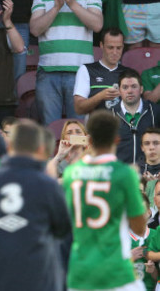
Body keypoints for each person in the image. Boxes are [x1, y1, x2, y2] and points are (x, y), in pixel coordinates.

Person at [0, 119, 72, 291]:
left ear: (10, 147)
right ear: (41, 150)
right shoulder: (48, 185)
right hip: (37, 276)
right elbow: (63, 230)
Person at [62, 110, 147, 291]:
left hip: (80, 271)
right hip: (115, 271)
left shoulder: (70, 173)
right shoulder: (125, 174)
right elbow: (140, 229)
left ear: (89, 140)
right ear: (116, 139)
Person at [30, 0, 103, 125]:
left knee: (79, 130)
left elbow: (98, 25)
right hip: (48, 71)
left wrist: (73, 4)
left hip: (80, 72)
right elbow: (35, 29)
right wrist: (56, 7)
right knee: (50, 130)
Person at [74, 28, 130, 115]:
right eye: (110, 47)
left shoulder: (129, 73)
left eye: (118, 48)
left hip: (124, 126)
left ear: (123, 47)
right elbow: (79, 108)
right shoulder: (87, 70)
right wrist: (100, 96)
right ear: (101, 45)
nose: (115, 52)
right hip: (97, 126)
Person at [111, 70, 160, 165]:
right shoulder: (109, 116)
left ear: (141, 89)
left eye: (134, 86)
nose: (129, 91)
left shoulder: (156, 111)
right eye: (125, 87)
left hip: (151, 176)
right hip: (121, 175)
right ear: (119, 91)